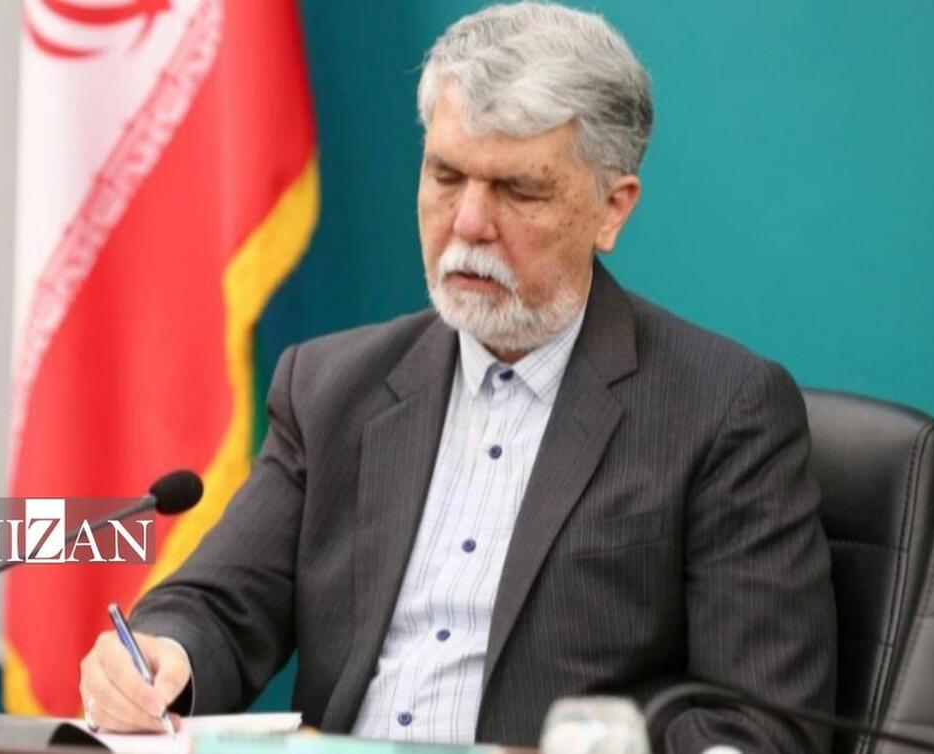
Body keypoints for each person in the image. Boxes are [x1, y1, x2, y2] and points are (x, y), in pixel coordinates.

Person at [78, 3, 836, 751]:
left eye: (518, 190)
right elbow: (221, 603)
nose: (468, 222)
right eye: (446, 175)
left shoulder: (720, 410)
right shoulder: (331, 388)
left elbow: (758, 725)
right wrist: (165, 653)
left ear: (611, 209)